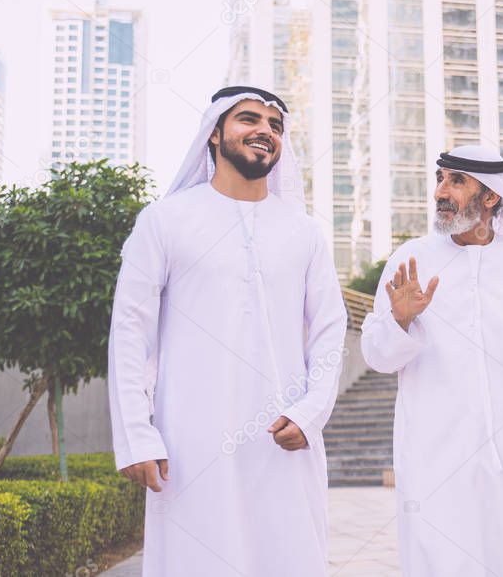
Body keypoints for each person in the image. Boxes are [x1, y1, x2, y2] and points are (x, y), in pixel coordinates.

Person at [107, 86, 347, 576]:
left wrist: (312, 411)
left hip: (284, 438)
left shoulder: (302, 232)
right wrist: (136, 433)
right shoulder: (165, 220)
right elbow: (130, 331)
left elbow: (329, 327)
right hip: (192, 443)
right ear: (214, 135)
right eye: (248, 119)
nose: (265, 131)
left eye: (275, 126)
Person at [361, 146, 503, 576]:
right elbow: (376, 356)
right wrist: (400, 321)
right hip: (432, 451)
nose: (441, 190)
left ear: (491, 196)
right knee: (438, 558)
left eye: (456, 181)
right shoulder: (409, 260)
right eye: (440, 179)